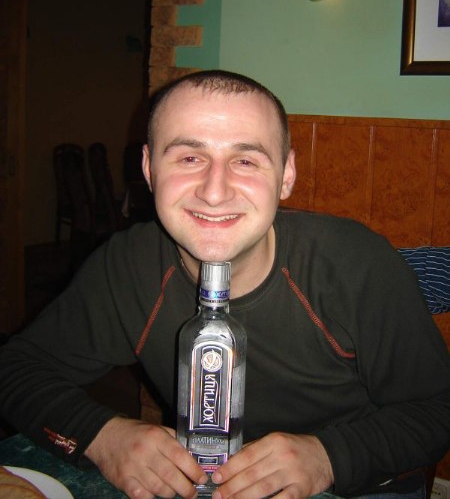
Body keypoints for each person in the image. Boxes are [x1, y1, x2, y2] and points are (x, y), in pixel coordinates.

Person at [0, 70, 449, 499]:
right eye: (189, 158)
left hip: (359, 486)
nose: (214, 192)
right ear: (149, 169)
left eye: (246, 160)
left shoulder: (356, 262)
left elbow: (437, 408)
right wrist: (102, 437)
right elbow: (16, 368)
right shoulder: (128, 264)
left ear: (286, 175)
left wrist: (327, 457)